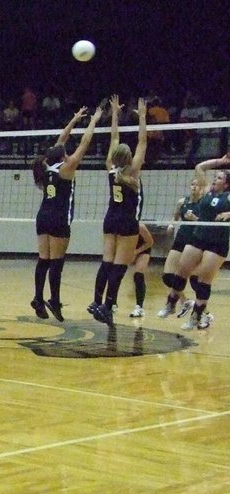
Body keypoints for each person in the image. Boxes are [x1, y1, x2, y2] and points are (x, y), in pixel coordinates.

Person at [31, 105, 102, 322]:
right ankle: (54, 300)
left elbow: (62, 139)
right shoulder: (67, 167)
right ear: (63, 156)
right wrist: (93, 121)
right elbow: (85, 143)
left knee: (44, 260)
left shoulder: (47, 167)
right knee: (57, 262)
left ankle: (37, 297)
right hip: (59, 218)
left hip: (43, 216)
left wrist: (74, 120)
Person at [90, 95, 147, 326]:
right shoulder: (133, 172)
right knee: (120, 266)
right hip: (126, 222)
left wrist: (114, 113)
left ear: (115, 158)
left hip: (110, 218)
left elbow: (114, 137)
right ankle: (107, 306)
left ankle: (96, 301)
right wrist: (142, 117)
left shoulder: (110, 169)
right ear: (129, 157)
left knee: (107, 262)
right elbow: (143, 142)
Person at [161, 152, 230, 330]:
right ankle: (171, 304)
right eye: (215, 176)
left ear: (227, 183)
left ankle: (196, 317)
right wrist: (220, 162)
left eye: (220, 177)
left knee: (203, 281)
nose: (215, 179)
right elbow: (200, 167)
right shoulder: (206, 190)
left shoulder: (228, 197)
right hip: (198, 237)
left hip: (217, 243)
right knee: (181, 271)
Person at [156, 180, 201, 319]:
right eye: (192, 184)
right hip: (180, 239)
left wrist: (195, 219)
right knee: (168, 276)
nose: (194, 186)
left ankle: (204, 313)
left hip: (195, 241)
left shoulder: (204, 203)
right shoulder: (182, 201)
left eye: (197, 184)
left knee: (195, 281)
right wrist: (171, 225)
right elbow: (175, 217)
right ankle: (185, 301)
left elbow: (207, 223)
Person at [128, 223, 154, 317]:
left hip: (143, 250)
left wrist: (136, 252)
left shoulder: (140, 227)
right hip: (127, 249)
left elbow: (150, 242)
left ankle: (139, 307)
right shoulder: (119, 225)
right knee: (116, 272)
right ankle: (112, 304)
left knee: (138, 275)